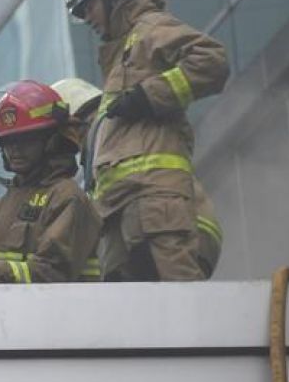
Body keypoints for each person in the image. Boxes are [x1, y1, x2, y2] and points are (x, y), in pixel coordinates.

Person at [63, 0, 229, 281]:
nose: (87, 19)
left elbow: (211, 61)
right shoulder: (119, 58)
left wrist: (150, 95)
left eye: (88, 7)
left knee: (179, 296)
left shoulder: (150, 28)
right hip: (119, 207)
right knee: (132, 312)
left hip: (155, 197)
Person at [0, 81, 103, 307]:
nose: (15, 150)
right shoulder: (1, 207)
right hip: (19, 321)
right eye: (8, 141)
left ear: (50, 141)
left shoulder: (67, 196)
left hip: (68, 318)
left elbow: (52, 270)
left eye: (25, 141)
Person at [52, 76, 223, 278]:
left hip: (167, 229)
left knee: (176, 300)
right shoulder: (110, 133)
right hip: (180, 226)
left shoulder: (109, 130)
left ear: (73, 122)